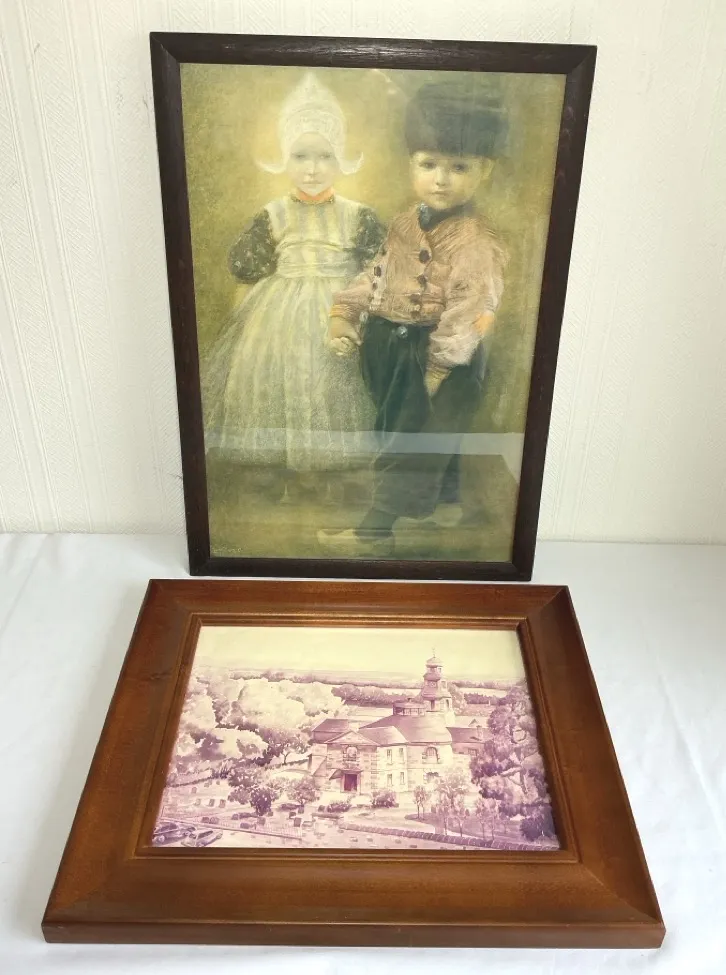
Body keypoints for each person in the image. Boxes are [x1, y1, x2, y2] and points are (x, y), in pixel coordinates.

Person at [317, 81, 508, 556]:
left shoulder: (475, 241)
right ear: (411, 165)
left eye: (458, 167)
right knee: (423, 432)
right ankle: (446, 504)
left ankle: (374, 533)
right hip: (394, 349)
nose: (441, 179)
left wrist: (438, 368)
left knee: (410, 442)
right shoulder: (406, 223)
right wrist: (346, 311)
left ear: (484, 170)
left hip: (440, 355)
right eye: (428, 164)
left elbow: (471, 311)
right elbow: (378, 273)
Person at [204, 73, 385, 496]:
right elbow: (248, 272)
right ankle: (284, 471)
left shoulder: (357, 215)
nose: (312, 168)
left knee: (334, 384)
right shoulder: (273, 214)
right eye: (301, 156)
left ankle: (330, 477)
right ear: (285, 158)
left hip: (341, 308)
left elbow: (378, 272)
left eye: (324, 156)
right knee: (279, 378)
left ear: (339, 159)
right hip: (279, 313)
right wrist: (244, 325)